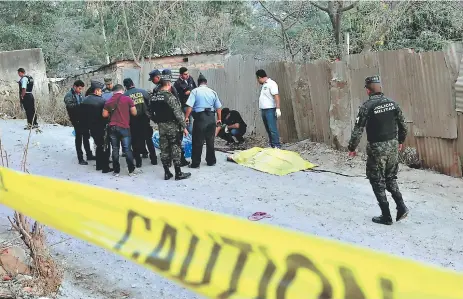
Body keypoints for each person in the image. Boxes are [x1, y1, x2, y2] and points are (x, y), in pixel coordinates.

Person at [348, 75, 409, 225]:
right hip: (393, 146)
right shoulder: (393, 104)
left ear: (368, 91)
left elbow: (358, 130)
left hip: (377, 148)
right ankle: (401, 206)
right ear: (380, 88)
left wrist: (352, 148)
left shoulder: (366, 107)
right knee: (390, 178)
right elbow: (404, 126)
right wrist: (400, 141)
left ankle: (386, 216)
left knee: (376, 180)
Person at [150, 76, 191, 180]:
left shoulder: (154, 97)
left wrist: (157, 121)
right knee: (175, 148)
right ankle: (178, 173)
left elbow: (150, 112)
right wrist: (184, 127)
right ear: (168, 84)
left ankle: (167, 172)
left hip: (161, 127)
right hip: (172, 127)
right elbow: (178, 114)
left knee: (164, 149)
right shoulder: (170, 97)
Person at [184, 74, 222, 168]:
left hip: (200, 118)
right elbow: (218, 107)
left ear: (198, 83)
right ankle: (211, 161)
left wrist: (186, 117)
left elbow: (190, 106)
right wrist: (219, 119)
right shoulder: (213, 92)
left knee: (197, 141)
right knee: (210, 140)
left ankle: (195, 163)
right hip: (211, 118)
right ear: (206, 83)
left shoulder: (195, 91)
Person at [103, 84, 139, 177]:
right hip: (124, 127)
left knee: (115, 149)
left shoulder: (109, 101)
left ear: (113, 92)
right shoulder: (127, 99)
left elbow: (104, 115)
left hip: (112, 127)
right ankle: (131, 170)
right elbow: (134, 113)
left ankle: (116, 171)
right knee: (127, 150)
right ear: (122, 91)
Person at [123, 78, 157, 167]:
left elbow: (125, 110)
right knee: (148, 139)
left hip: (133, 121)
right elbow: (150, 104)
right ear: (133, 83)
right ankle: (154, 159)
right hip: (145, 119)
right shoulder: (143, 92)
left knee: (135, 140)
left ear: (125, 86)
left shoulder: (125, 95)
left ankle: (138, 162)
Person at [80, 81, 112, 173]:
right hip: (101, 126)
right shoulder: (102, 101)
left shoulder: (84, 100)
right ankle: (105, 167)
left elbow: (82, 115)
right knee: (105, 146)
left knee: (98, 145)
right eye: (100, 91)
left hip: (90, 127)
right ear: (96, 91)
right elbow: (106, 114)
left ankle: (98, 165)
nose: (101, 93)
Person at [161, 69, 190, 167]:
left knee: (165, 145)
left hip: (162, 123)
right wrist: (184, 125)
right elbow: (177, 108)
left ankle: (167, 165)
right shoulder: (171, 90)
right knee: (176, 143)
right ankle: (179, 165)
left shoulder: (157, 91)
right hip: (173, 122)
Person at [64, 80, 95, 165]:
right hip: (76, 119)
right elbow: (70, 107)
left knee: (86, 136)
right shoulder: (69, 95)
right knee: (79, 139)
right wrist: (81, 106)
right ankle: (80, 158)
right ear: (74, 86)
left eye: (81, 89)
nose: (80, 90)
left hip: (83, 119)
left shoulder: (79, 94)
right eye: (79, 88)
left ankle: (89, 154)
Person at [256, 69, 282, 149]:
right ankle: (272, 145)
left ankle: (277, 145)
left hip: (270, 110)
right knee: (268, 129)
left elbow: (276, 96)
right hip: (264, 110)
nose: (257, 81)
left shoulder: (271, 84)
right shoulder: (264, 85)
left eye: (257, 79)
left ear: (259, 77)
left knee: (272, 128)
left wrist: (278, 109)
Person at [174, 67, 197, 134]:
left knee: (194, 121)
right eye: (185, 74)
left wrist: (190, 91)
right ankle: (189, 138)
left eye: (187, 73)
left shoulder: (190, 78)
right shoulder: (177, 83)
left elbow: (195, 88)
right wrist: (184, 94)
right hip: (185, 105)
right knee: (188, 122)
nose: (187, 75)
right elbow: (176, 96)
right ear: (181, 75)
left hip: (193, 104)